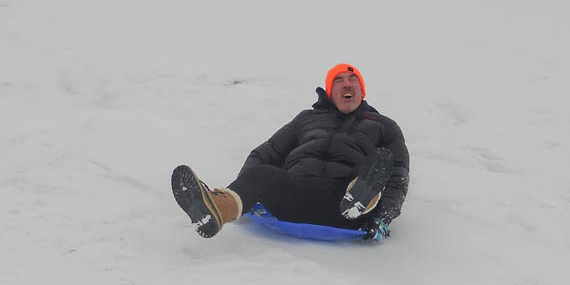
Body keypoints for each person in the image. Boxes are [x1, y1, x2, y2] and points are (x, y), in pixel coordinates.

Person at [172, 63, 410, 241]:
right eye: (338, 80)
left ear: (362, 90)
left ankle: (363, 200)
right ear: (330, 90)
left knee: (379, 163)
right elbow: (266, 152)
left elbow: (398, 175)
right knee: (263, 172)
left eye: (352, 79)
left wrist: (384, 216)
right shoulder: (306, 119)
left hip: (344, 204)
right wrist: (248, 194)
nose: (346, 84)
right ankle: (220, 208)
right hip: (297, 194)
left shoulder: (384, 126)